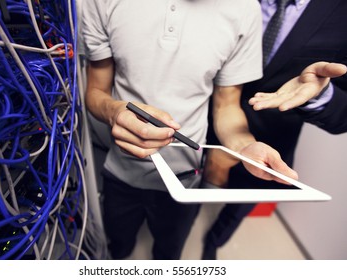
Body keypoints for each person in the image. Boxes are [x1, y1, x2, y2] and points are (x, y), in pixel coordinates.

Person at [81, 0, 297, 260]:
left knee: (169, 252)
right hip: (120, 170)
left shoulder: (245, 8)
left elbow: (226, 106)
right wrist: (113, 111)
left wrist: (243, 147)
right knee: (117, 247)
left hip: (185, 177)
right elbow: (95, 92)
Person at [202, 0, 347, 260]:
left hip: (272, 140)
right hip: (206, 117)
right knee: (189, 189)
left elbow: (343, 115)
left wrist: (319, 94)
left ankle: (213, 241)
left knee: (239, 207)